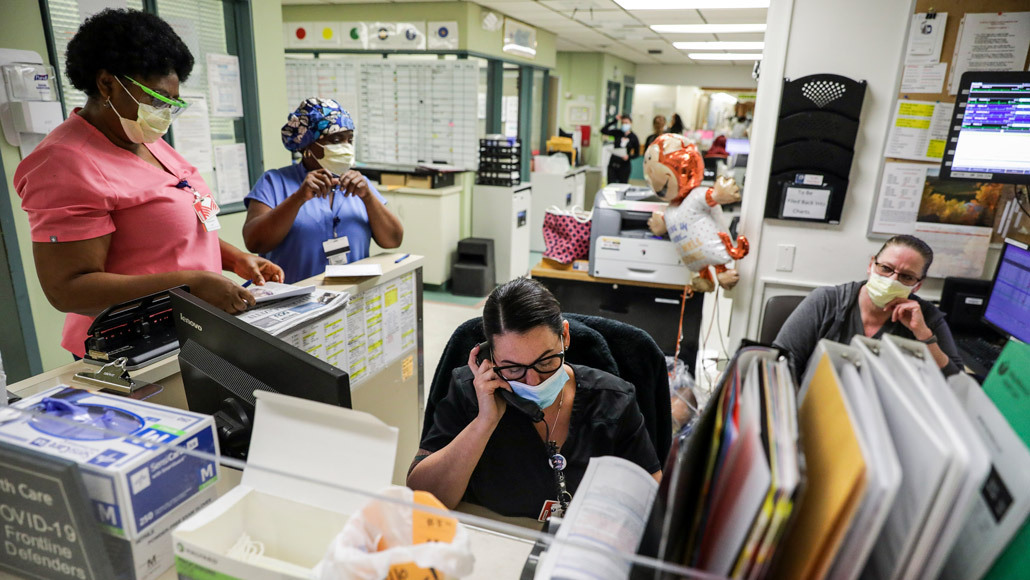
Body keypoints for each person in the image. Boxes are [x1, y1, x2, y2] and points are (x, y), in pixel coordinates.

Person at [14, 9, 282, 359]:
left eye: (172, 103)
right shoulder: (64, 162)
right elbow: (67, 289)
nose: (164, 114)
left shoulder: (144, 140)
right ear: (107, 83)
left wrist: (236, 258)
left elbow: (175, 230)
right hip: (131, 349)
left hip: (188, 330)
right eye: (156, 99)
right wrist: (192, 285)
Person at [408, 278, 661, 519]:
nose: (533, 381)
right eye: (513, 368)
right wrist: (484, 422)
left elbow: (654, 505)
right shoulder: (470, 393)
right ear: (489, 357)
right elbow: (420, 499)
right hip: (495, 539)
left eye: (546, 361)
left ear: (565, 336)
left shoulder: (614, 400)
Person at [242, 99, 403, 283]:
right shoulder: (274, 182)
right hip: (295, 295)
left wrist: (368, 197)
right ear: (307, 145)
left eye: (349, 139)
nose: (346, 147)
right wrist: (298, 198)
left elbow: (393, 240)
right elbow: (255, 242)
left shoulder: (360, 184)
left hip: (351, 293)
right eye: (335, 140)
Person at [774, 235, 963, 379]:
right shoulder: (826, 301)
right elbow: (780, 363)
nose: (892, 280)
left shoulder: (926, 317)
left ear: (918, 285)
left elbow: (956, 382)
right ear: (871, 265)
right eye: (886, 268)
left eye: (906, 277)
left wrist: (924, 335)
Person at [600, 113, 640, 185]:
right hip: (613, 164)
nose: (624, 125)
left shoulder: (633, 137)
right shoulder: (617, 133)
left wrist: (628, 157)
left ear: (631, 123)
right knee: (611, 185)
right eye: (622, 123)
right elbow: (603, 130)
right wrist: (615, 120)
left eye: (626, 123)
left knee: (622, 186)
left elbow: (637, 153)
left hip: (624, 166)